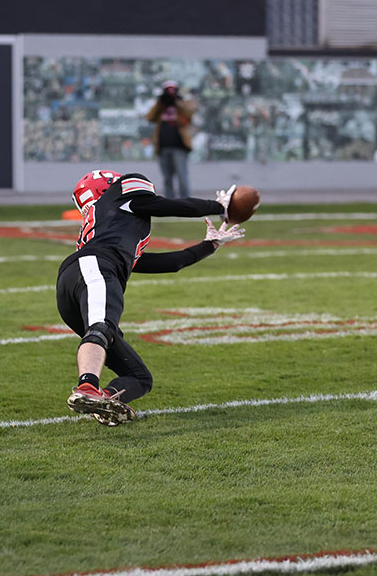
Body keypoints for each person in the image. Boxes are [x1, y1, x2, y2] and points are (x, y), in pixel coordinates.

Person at [57, 170, 244, 426]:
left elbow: (170, 262)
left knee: (139, 378)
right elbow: (161, 205)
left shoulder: (110, 227)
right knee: (101, 328)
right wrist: (218, 206)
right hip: (96, 268)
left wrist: (210, 245)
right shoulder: (124, 188)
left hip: (73, 283)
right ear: (108, 186)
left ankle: (104, 399)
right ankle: (87, 387)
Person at [146, 80, 194, 198]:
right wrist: (161, 103)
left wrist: (176, 102)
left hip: (179, 147)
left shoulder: (183, 104)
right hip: (163, 147)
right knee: (167, 178)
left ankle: (186, 202)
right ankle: (170, 203)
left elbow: (190, 113)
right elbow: (150, 117)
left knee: (182, 176)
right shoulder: (160, 106)